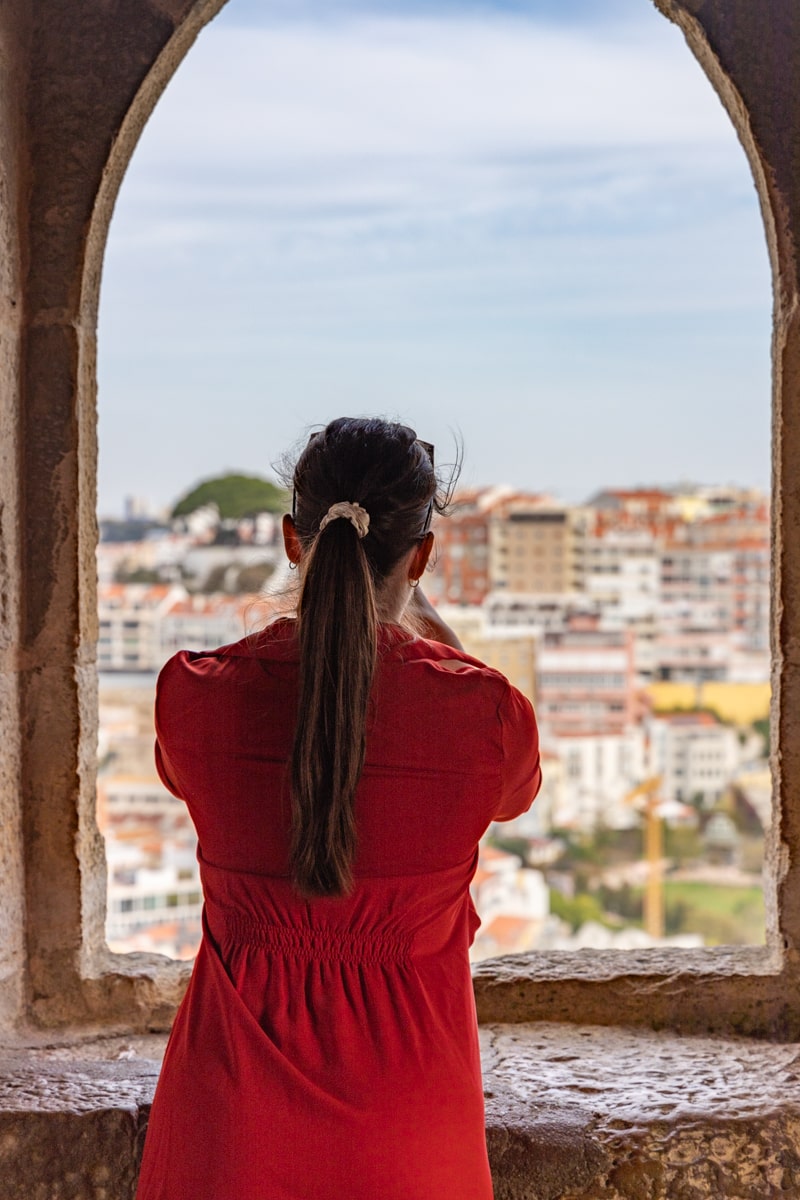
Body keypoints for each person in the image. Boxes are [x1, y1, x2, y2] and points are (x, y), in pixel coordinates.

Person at [136, 417, 541, 1200]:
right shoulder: (482, 714)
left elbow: (181, 776)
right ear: (420, 557)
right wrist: (442, 648)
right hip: (410, 1126)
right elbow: (515, 793)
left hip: (229, 1125)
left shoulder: (196, 694)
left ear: (293, 541)